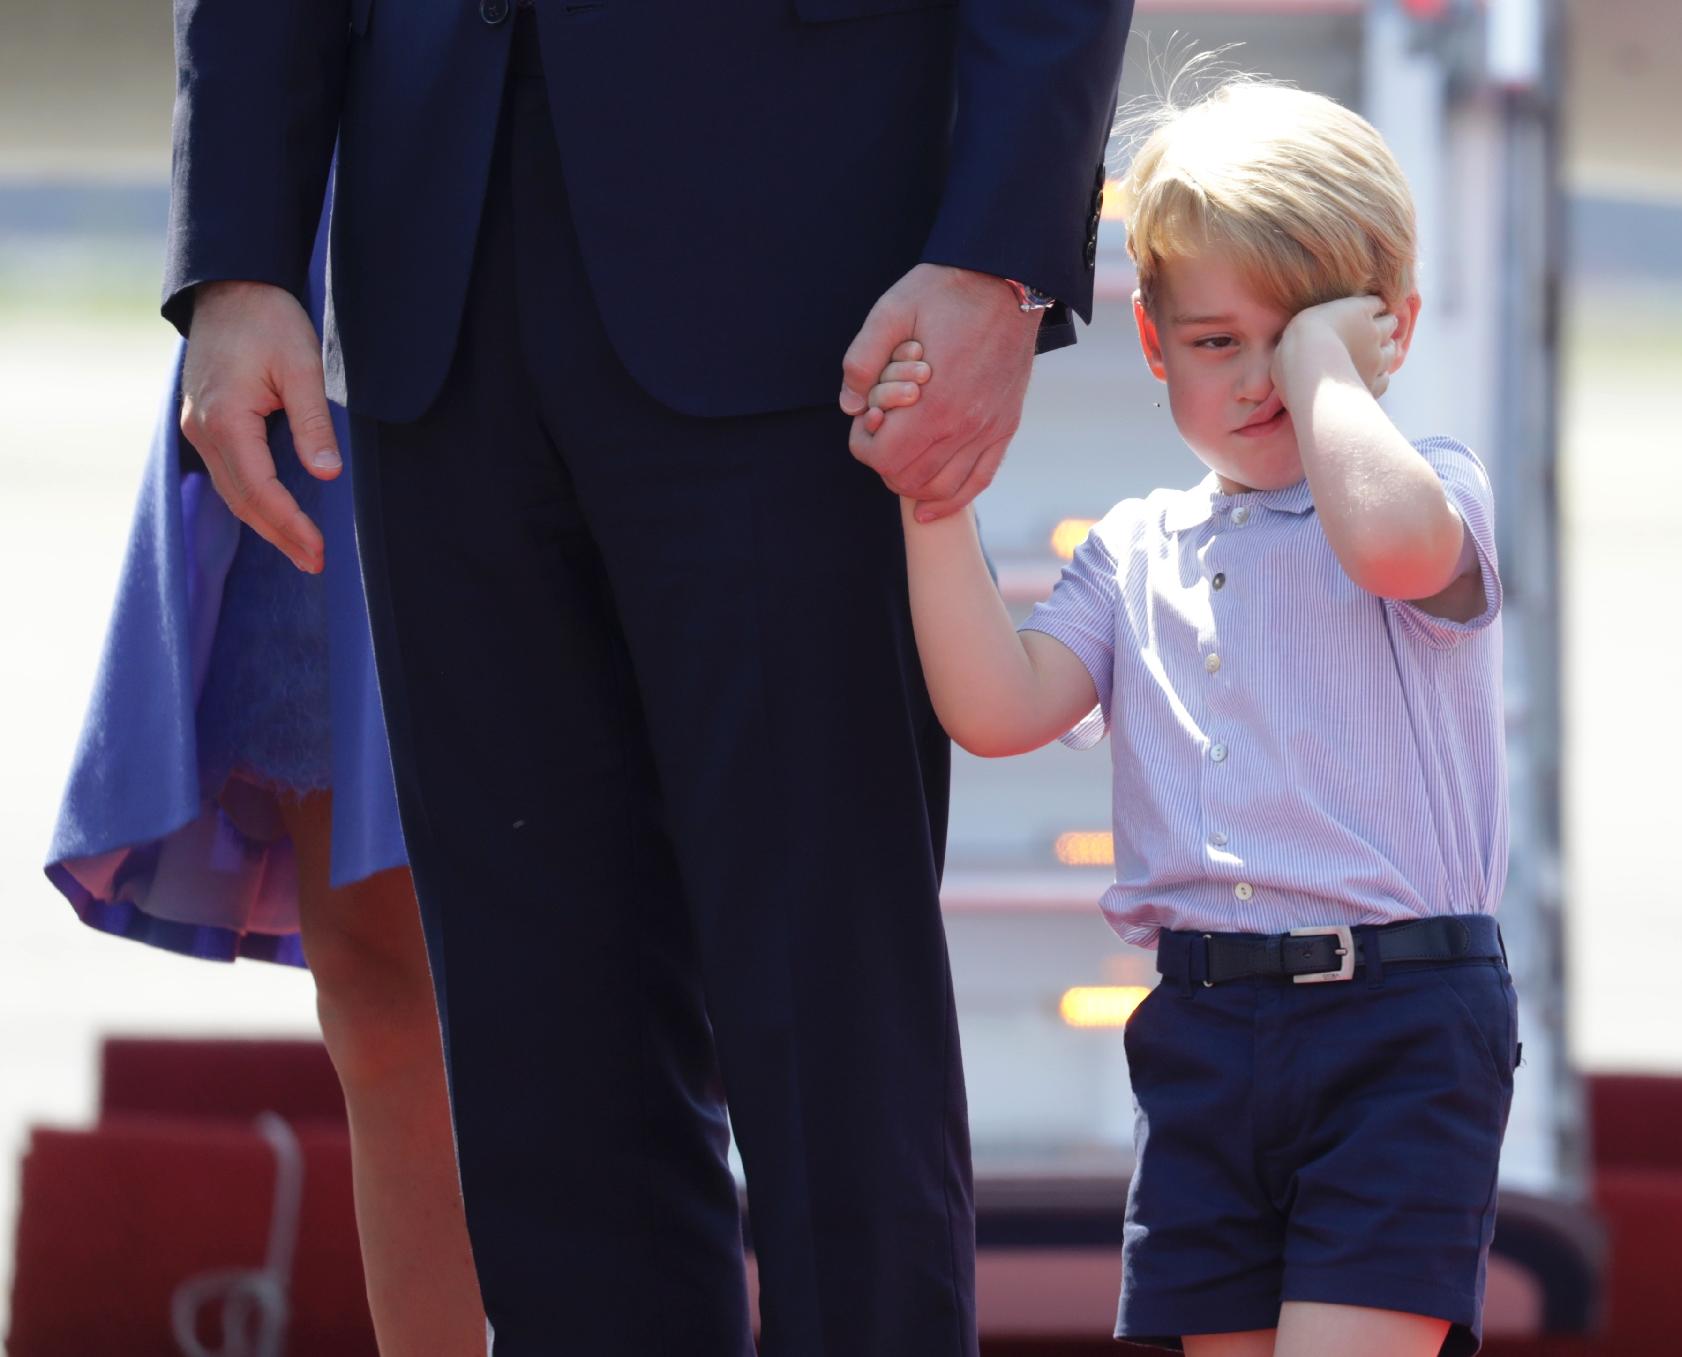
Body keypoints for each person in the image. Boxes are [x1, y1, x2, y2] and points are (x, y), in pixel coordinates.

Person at [160, 2, 1132, 1351]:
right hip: (434, 289)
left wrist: (1001, 252)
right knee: (539, 1056)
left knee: (831, 1031)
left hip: (812, 283)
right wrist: (241, 251)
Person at [881, 81, 1518, 1357]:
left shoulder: (1427, 487)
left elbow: (1392, 548)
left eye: (1299, 340)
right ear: (1156, 347)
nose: (1265, 381)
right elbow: (999, 709)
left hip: (1396, 1018)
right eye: (1221, 343)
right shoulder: (1134, 550)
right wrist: (930, 504)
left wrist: (1330, 371)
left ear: (1388, 329)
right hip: (1206, 1033)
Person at [46, 190, 486, 1356]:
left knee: (642, 966)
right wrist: (233, 264)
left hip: (651, 195)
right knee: (384, 982)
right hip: (348, 235)